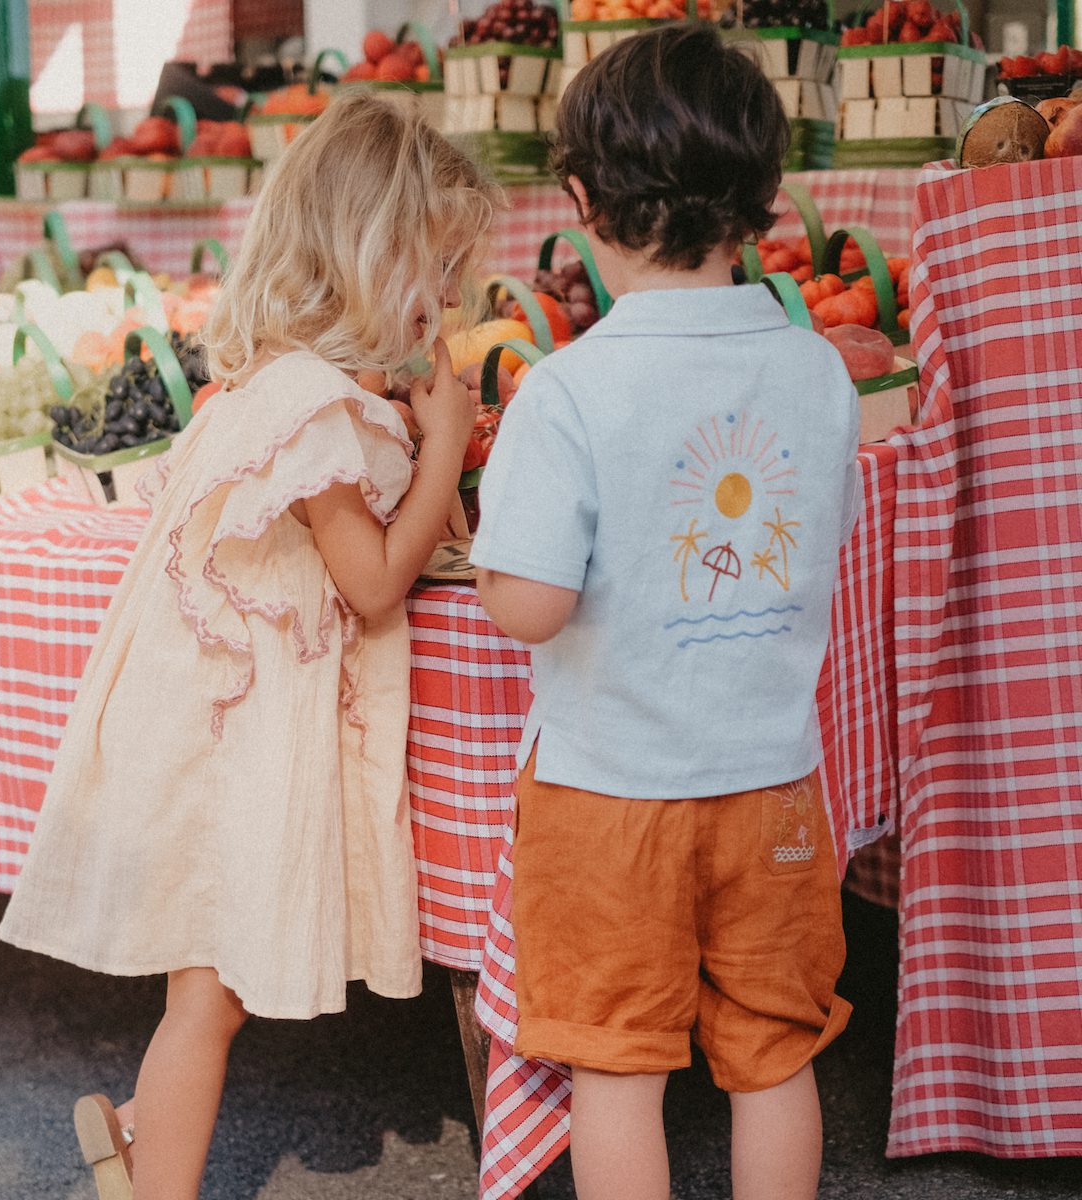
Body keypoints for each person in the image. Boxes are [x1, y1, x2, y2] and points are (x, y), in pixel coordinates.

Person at [0, 92, 498, 1200]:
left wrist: (426, 449)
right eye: (440, 268)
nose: (453, 299)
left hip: (224, 717)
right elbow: (375, 587)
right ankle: (148, 1174)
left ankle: (139, 1131)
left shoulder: (296, 386)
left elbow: (429, 537)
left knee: (207, 989)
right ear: (371, 255)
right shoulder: (315, 407)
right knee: (208, 997)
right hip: (233, 738)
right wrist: (449, 443)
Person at [470, 24, 862, 1200]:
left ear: (580, 198)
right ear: (769, 200)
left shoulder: (567, 389)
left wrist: (492, 566)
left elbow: (532, 606)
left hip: (608, 799)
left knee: (617, 1072)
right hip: (775, 787)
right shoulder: (820, 371)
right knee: (774, 1058)